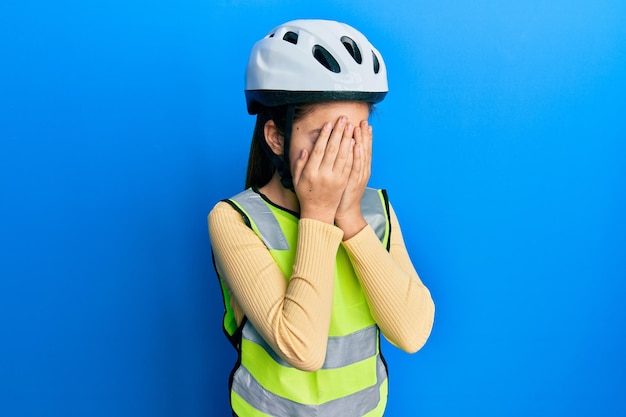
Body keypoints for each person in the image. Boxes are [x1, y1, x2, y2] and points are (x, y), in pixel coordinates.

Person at [208, 19, 435, 417]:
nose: (339, 156)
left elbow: (412, 333)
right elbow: (302, 348)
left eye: (352, 136)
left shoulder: (374, 211)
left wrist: (349, 218)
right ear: (276, 136)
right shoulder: (235, 220)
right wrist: (317, 213)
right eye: (322, 137)